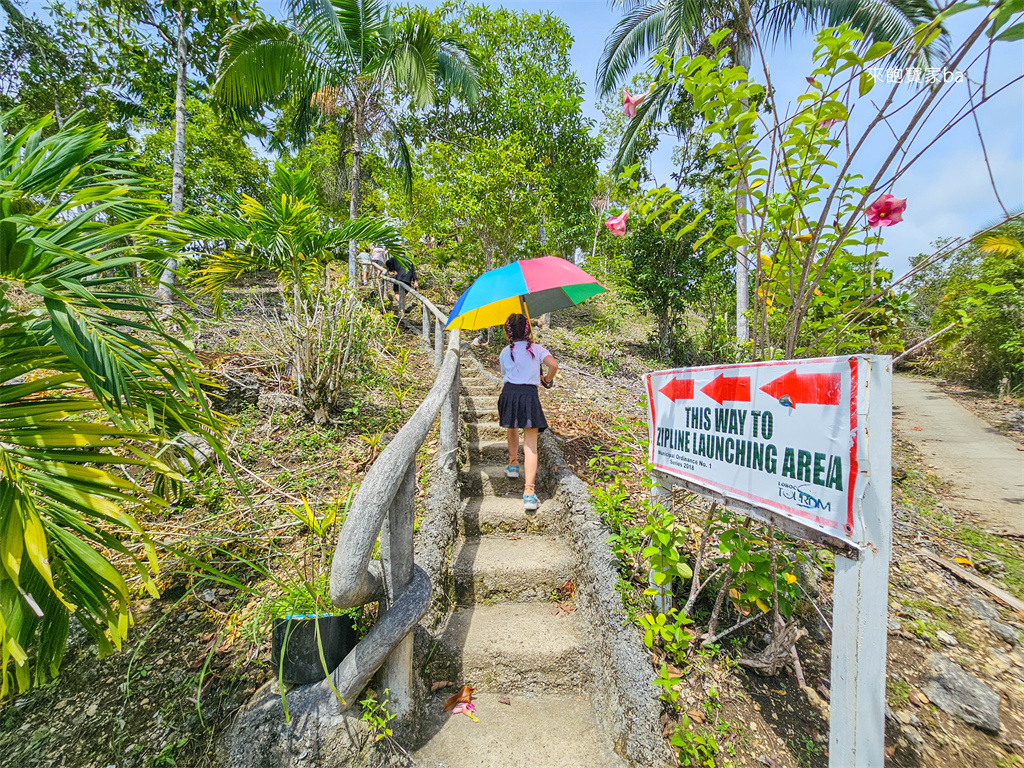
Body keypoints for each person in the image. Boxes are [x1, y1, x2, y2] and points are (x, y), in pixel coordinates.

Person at [497, 313, 558, 511]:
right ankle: (529, 493)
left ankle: (513, 464)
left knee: (512, 427)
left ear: (508, 333)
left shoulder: (506, 352)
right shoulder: (537, 349)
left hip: (509, 393)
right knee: (531, 444)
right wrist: (547, 379)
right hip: (529, 395)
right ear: (527, 330)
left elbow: (505, 374)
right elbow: (553, 365)